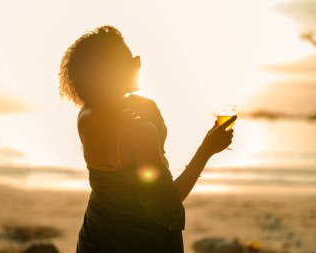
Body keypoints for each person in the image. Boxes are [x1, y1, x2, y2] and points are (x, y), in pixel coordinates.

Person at [59, 25, 236, 253]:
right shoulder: (139, 130)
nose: (137, 65)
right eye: (131, 60)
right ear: (112, 73)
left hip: (97, 237)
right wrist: (206, 150)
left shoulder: (86, 114)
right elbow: (167, 204)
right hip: (142, 242)